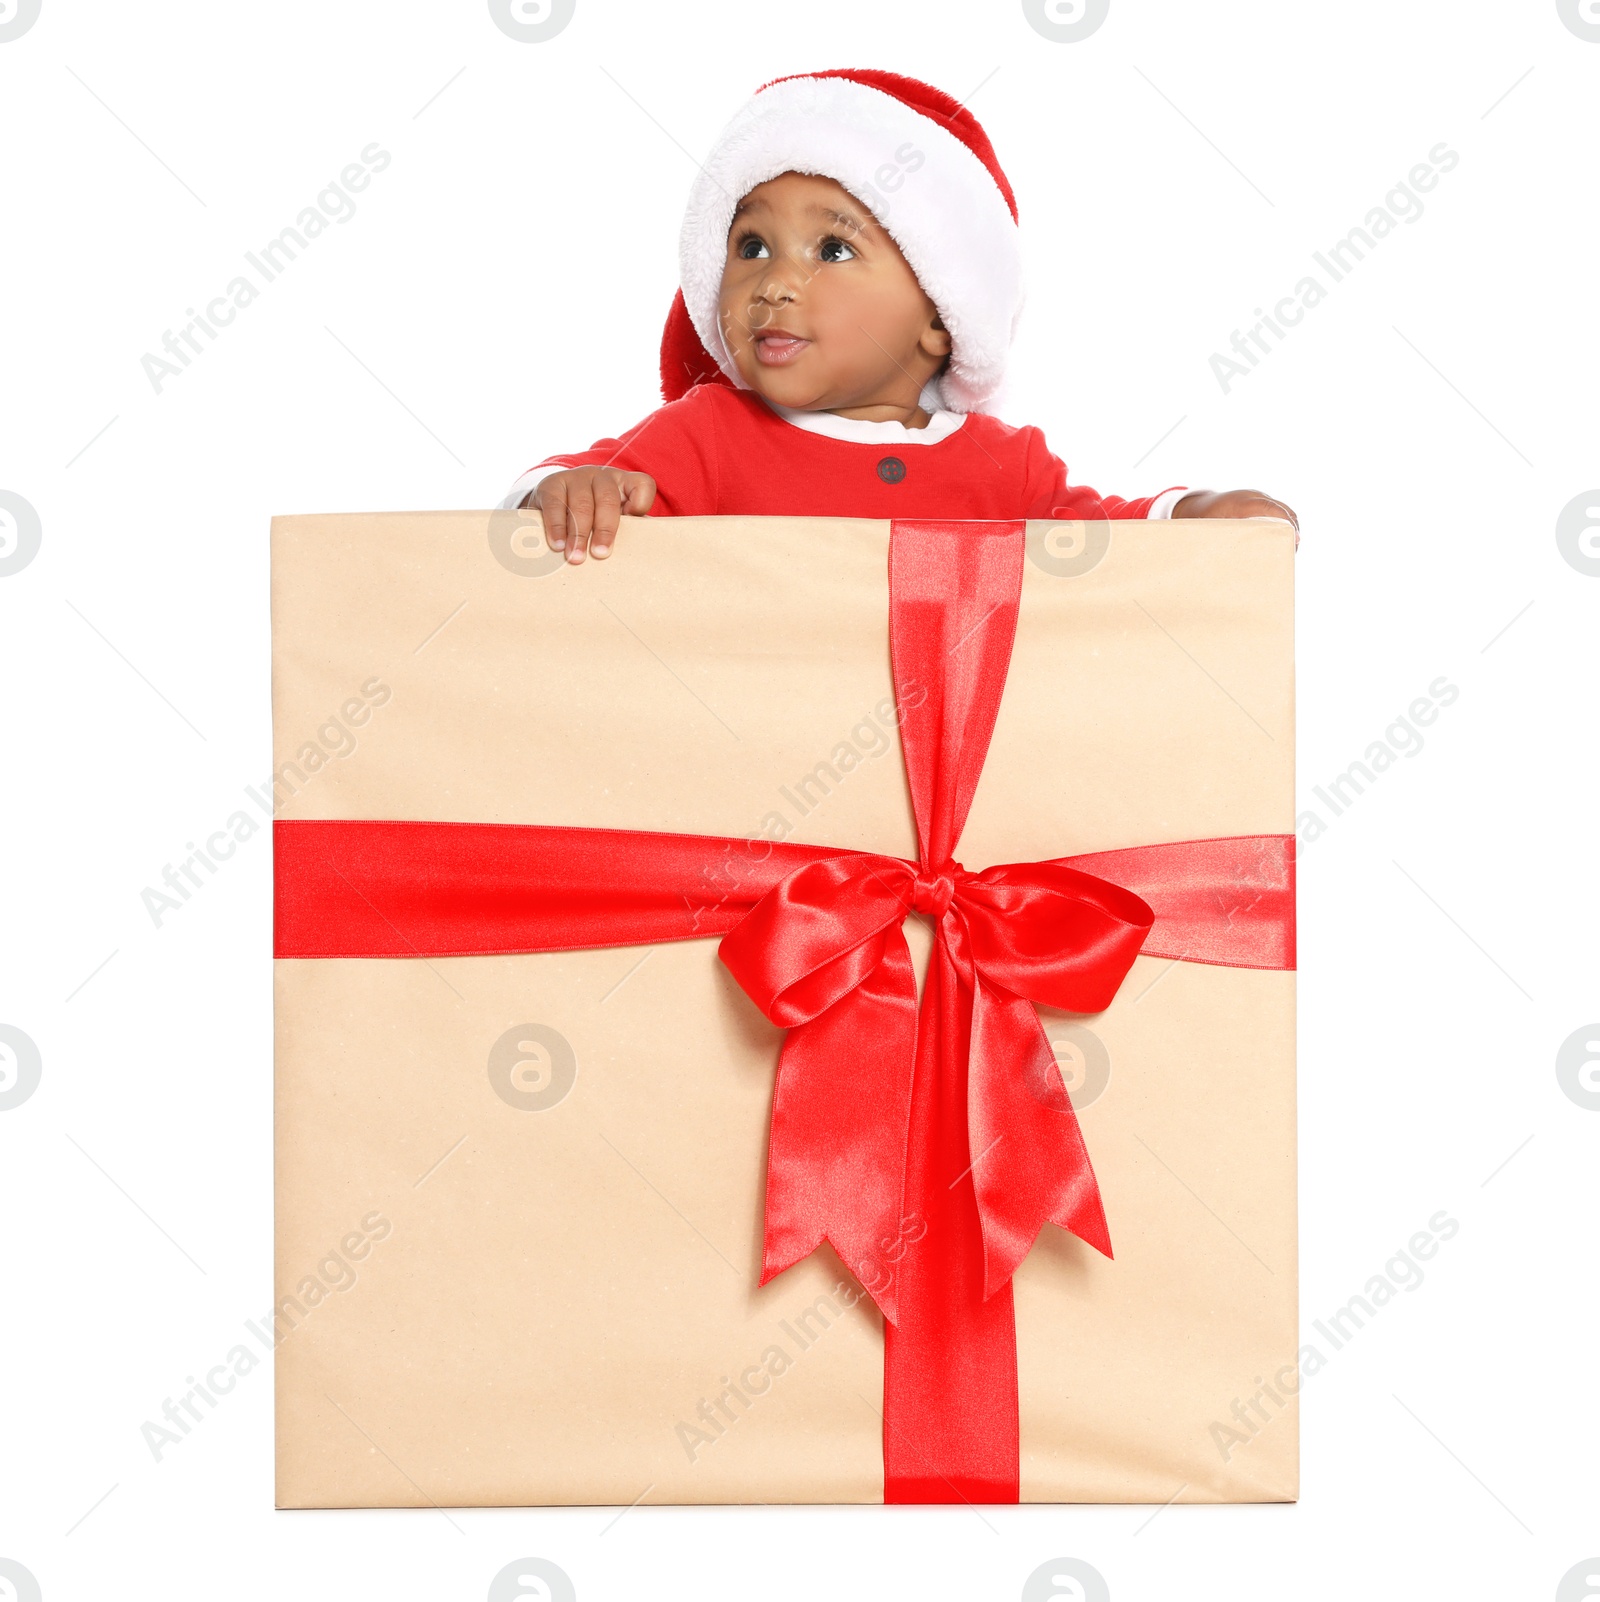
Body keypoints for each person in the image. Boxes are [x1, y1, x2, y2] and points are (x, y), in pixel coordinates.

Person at [499, 67, 1298, 564]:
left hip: (936, 797)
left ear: (941, 321)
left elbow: (1101, 543)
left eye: (833, 252)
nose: (773, 284)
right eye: (750, 245)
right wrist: (568, 492)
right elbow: (578, 485)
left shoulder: (1003, 467)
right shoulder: (708, 433)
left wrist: (1191, 514)